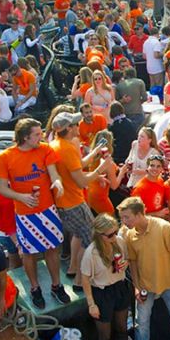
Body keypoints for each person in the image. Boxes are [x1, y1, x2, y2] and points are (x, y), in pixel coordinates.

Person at [0, 118, 71, 309]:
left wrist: (57, 183)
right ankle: (35, 288)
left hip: (48, 209)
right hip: (25, 213)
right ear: (25, 137)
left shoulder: (45, 150)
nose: (41, 137)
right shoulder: (5, 157)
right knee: (29, 252)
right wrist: (22, 197)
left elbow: (54, 173)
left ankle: (56, 284)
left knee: (53, 248)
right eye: (37, 134)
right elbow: (2, 188)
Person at [118, 196, 170, 340]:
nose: (123, 221)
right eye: (122, 217)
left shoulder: (163, 227)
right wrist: (137, 287)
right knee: (141, 322)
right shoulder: (130, 235)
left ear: (139, 214)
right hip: (146, 286)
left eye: (126, 217)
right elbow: (133, 263)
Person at [51, 111, 110, 289]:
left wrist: (95, 152)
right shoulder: (67, 148)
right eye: (76, 124)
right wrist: (101, 168)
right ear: (69, 129)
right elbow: (81, 181)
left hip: (66, 202)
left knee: (79, 235)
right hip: (73, 203)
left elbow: (78, 166)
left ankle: (72, 269)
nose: (80, 125)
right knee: (90, 239)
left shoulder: (58, 144)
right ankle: (79, 281)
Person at [80, 214, 130, 340]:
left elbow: (127, 258)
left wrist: (125, 263)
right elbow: (85, 279)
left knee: (122, 329)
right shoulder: (91, 253)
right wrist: (91, 304)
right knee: (105, 336)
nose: (114, 236)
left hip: (120, 287)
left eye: (116, 232)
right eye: (110, 235)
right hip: (102, 293)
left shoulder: (120, 241)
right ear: (100, 235)